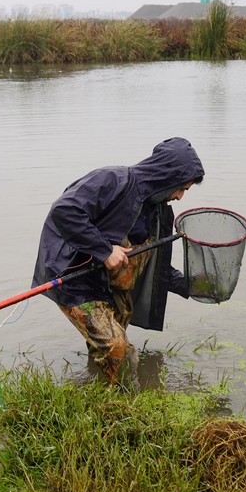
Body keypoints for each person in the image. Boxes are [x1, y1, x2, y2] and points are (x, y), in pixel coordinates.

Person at [32, 137, 205, 385]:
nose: (179, 197)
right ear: (168, 177)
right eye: (182, 188)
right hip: (74, 279)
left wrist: (192, 286)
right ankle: (124, 403)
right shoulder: (113, 180)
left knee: (108, 343)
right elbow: (64, 211)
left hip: (111, 284)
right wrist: (104, 250)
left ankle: (98, 384)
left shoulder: (159, 211)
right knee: (118, 348)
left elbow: (158, 267)